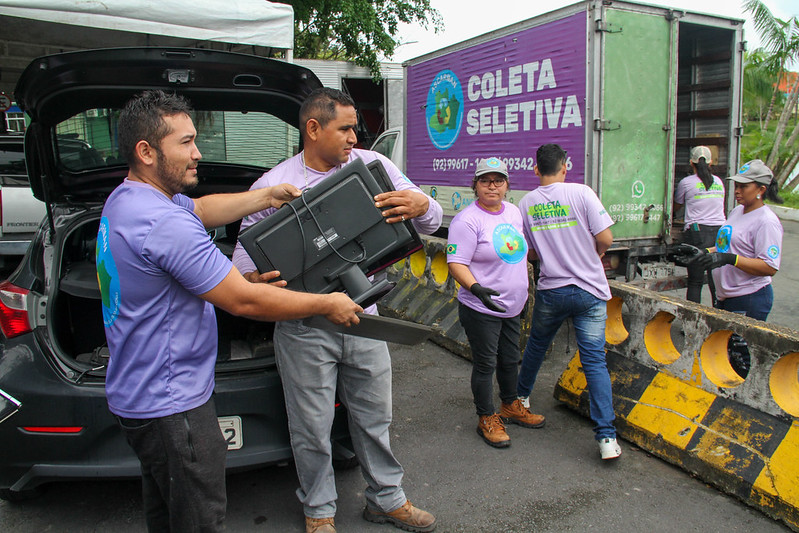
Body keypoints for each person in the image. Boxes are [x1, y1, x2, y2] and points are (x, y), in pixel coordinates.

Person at [98, 90, 362, 532]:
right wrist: (326, 303)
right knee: (199, 520)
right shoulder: (164, 223)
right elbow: (244, 299)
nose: (197, 153)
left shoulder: (129, 199)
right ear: (146, 152)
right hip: (173, 404)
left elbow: (201, 208)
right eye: (185, 143)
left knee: (167, 512)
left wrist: (265, 196)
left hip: (137, 392)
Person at [232, 87, 442, 533]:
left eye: (355, 128)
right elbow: (242, 268)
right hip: (304, 324)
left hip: (366, 319)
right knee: (311, 424)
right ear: (313, 128)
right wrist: (254, 280)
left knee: (374, 415)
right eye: (345, 128)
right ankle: (319, 510)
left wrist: (424, 204)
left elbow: (428, 218)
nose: (354, 137)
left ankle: (387, 499)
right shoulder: (272, 186)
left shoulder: (374, 166)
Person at [515, 143, 621, 460]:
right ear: (566, 166)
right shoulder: (582, 193)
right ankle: (606, 439)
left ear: (536, 169)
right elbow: (606, 238)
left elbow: (529, 252)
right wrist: (595, 253)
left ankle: (520, 398)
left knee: (536, 345)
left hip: (552, 290)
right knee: (593, 361)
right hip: (590, 291)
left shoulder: (526, 203)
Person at [446, 157, 545, 449]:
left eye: (498, 181)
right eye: (485, 181)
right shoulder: (467, 220)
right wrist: (476, 289)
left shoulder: (514, 212)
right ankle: (486, 417)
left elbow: (523, 253)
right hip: (481, 307)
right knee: (486, 363)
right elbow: (456, 262)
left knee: (510, 359)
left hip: (512, 305)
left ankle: (510, 406)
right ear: (475, 185)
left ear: (507, 185)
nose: (492, 186)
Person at [695, 159, 784, 321]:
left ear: (761, 189)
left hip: (748, 298)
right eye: (736, 186)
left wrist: (730, 259)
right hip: (725, 295)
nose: (737, 191)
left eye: (744, 186)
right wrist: (705, 252)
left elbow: (769, 266)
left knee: (738, 346)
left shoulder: (766, 221)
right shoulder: (737, 211)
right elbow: (727, 246)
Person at [673, 146, 726, 303]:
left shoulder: (686, 183)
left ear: (691, 162)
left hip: (697, 234)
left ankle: (691, 325)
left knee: (695, 282)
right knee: (715, 281)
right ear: (710, 163)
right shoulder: (719, 182)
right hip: (720, 233)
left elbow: (677, 205)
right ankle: (719, 319)